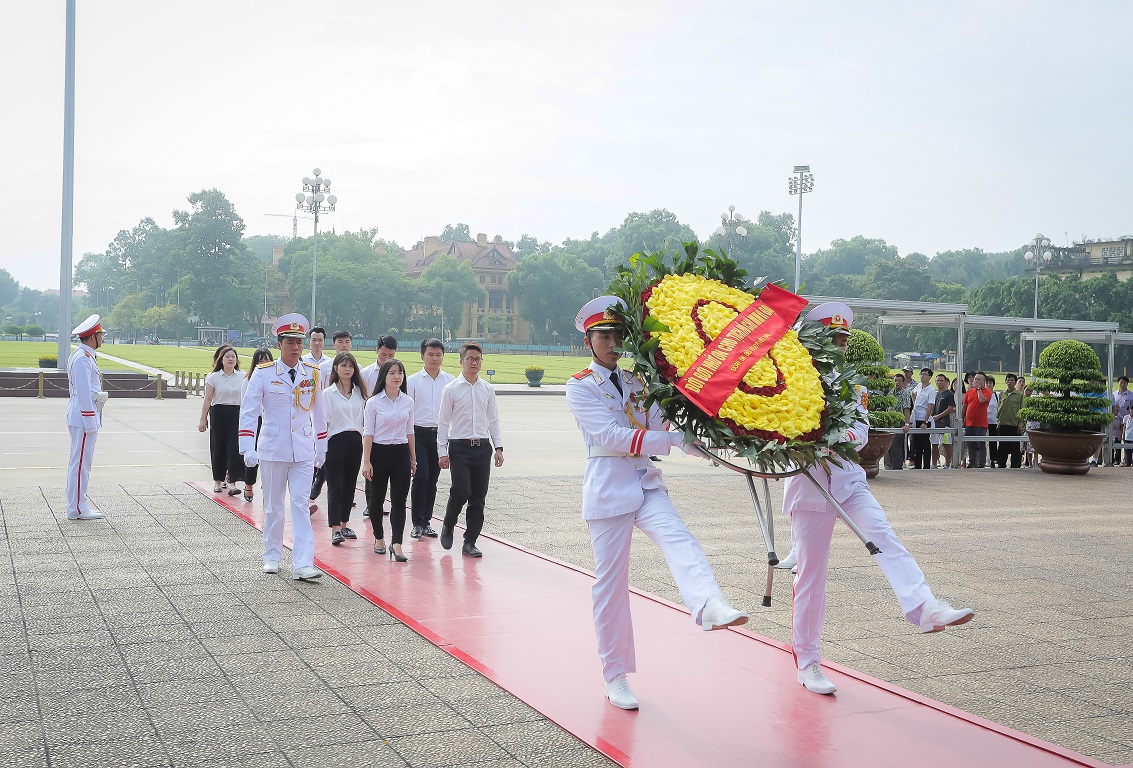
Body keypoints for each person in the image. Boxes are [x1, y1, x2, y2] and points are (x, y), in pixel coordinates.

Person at [565, 296, 749, 711]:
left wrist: (710, 444)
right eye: (603, 336)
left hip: (645, 483)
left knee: (680, 538)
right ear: (588, 342)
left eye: (616, 336)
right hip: (609, 490)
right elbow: (611, 436)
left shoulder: (635, 382)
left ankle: (708, 602)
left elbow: (665, 426)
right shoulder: (579, 386)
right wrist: (671, 440)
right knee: (610, 588)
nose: (612, 343)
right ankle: (615, 674)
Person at [783, 303, 974, 696]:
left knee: (884, 537)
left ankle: (924, 607)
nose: (839, 346)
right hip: (811, 488)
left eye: (843, 340)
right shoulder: (790, 381)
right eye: (833, 339)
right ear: (814, 341)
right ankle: (807, 660)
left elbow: (860, 429)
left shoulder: (849, 384)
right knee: (811, 578)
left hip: (848, 481)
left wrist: (835, 436)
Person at [239, 313, 327, 581]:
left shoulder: (311, 373)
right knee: (273, 506)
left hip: (301, 449)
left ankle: (302, 563)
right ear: (279, 344)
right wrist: (247, 446)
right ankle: (272, 555)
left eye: (299, 341)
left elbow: (319, 412)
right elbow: (249, 411)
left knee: (300, 504)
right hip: (273, 448)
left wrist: (321, 447)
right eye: (289, 341)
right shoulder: (264, 374)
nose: (295, 347)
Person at [437, 343, 503, 558]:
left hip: (482, 447)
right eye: (470, 359)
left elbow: (493, 419)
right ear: (461, 361)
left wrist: (498, 447)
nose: (474, 362)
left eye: (478, 359)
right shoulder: (451, 389)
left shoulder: (487, 389)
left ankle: (470, 541)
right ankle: (448, 524)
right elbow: (443, 422)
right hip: (460, 447)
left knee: (478, 496)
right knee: (461, 490)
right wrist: (442, 451)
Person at [362, 359, 415, 562]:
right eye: (392, 372)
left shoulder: (408, 402)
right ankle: (379, 538)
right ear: (384, 376)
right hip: (379, 453)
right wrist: (366, 461)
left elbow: (410, 432)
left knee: (400, 501)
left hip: (401, 453)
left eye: (400, 373)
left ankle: (397, 543)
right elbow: (368, 434)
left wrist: (413, 459)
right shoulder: (373, 402)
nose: (397, 376)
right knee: (376, 500)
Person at [407, 338, 455, 539]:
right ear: (422, 356)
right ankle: (416, 523)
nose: (434, 359)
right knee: (421, 475)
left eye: (438, 355)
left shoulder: (450, 381)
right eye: (430, 354)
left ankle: (427, 521)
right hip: (418, 433)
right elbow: (407, 410)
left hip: (440, 436)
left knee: (433, 479)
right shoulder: (412, 381)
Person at [65, 314, 109, 520]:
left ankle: (77, 503)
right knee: (81, 462)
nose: (102, 338)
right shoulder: (83, 359)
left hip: (81, 415)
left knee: (79, 462)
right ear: (93, 337)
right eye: (101, 335)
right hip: (84, 417)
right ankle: (78, 507)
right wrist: (90, 421)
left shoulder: (82, 355)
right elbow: (83, 392)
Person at [323, 351, 367, 545]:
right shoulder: (328, 393)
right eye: (343, 366)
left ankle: (344, 523)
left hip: (355, 442)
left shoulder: (360, 393)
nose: (347, 369)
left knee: (350, 485)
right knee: (335, 486)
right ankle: (334, 528)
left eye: (350, 366)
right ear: (335, 368)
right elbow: (324, 423)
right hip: (334, 443)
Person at [308, 330, 353, 513]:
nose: (344, 345)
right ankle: (319, 479)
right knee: (324, 450)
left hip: (345, 417)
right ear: (333, 344)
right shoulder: (325, 367)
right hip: (325, 415)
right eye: (340, 342)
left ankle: (324, 481)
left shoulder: (353, 366)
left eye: (347, 341)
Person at [360, 335, 399, 518]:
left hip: (391, 426)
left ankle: (382, 502)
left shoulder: (397, 374)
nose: (387, 359)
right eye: (384, 354)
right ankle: (371, 503)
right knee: (372, 466)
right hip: (371, 425)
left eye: (391, 355)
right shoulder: (366, 374)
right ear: (377, 351)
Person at [199, 346, 246, 496]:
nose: (231, 359)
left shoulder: (243, 376)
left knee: (234, 449)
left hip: (236, 414)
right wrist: (203, 419)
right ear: (221, 360)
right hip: (219, 413)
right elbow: (208, 399)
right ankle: (218, 481)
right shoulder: (213, 377)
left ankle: (232, 482)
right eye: (227, 357)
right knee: (218, 447)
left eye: (233, 356)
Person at [240, 348, 274, 502]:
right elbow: (246, 406)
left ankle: (268, 486)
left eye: (267, 359)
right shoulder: (249, 380)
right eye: (260, 360)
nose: (264, 363)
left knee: (270, 457)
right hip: (256, 421)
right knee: (252, 456)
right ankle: (249, 485)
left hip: (271, 422)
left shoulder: (277, 378)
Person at [963, 372, 992, 469]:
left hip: (980, 423)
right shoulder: (969, 392)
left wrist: (979, 389)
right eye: (975, 379)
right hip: (969, 422)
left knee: (980, 444)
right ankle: (972, 463)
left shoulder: (987, 391)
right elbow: (965, 405)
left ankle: (981, 463)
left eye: (979, 379)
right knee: (971, 444)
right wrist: (962, 418)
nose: (976, 381)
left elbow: (982, 400)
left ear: (984, 381)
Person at [995, 374, 1025, 469]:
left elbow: (1022, 410)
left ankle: (1015, 465)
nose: (1010, 382)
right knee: (1002, 446)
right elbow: (998, 408)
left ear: (1015, 382)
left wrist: (1021, 424)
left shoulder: (1020, 395)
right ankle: (1001, 464)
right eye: (1008, 380)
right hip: (1003, 424)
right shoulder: (1002, 394)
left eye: (1012, 380)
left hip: (1014, 424)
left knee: (1015, 447)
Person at [884, 373, 911, 470]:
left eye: (899, 380)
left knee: (896, 444)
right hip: (889, 423)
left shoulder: (905, 393)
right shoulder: (890, 392)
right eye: (895, 380)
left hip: (899, 423)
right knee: (888, 444)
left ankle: (897, 466)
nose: (897, 382)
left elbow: (907, 409)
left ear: (904, 382)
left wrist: (906, 424)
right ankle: (889, 465)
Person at [910, 368, 935, 469]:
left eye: (925, 374)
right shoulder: (919, 386)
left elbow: (930, 406)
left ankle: (926, 465)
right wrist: (915, 402)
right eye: (921, 374)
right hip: (916, 417)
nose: (922, 376)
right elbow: (913, 393)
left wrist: (925, 421)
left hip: (924, 418)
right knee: (916, 443)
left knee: (925, 442)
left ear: (929, 377)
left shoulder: (931, 390)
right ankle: (917, 465)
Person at [929, 374, 956, 469]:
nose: (939, 382)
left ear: (945, 382)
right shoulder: (936, 394)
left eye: (941, 381)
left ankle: (948, 464)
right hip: (934, 423)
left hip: (944, 424)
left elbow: (950, 408)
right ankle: (934, 464)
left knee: (946, 444)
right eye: (937, 381)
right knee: (934, 444)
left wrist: (938, 416)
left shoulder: (949, 394)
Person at [1110, 376, 1133, 466]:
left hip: (1127, 420)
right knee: (1116, 439)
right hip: (1116, 418)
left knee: (1126, 438)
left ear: (1127, 384)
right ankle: (1116, 459)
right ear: (1118, 383)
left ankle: (1126, 459)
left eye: (1124, 383)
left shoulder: (1131, 395)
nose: (1122, 384)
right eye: (1121, 382)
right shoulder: (1114, 394)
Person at [985, 375, 1000, 467]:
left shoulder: (996, 395)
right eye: (987, 383)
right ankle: (984, 459)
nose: (988, 385)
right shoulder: (982, 394)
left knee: (993, 442)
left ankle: (993, 459)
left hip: (993, 422)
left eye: (990, 383)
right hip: (983, 422)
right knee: (983, 442)